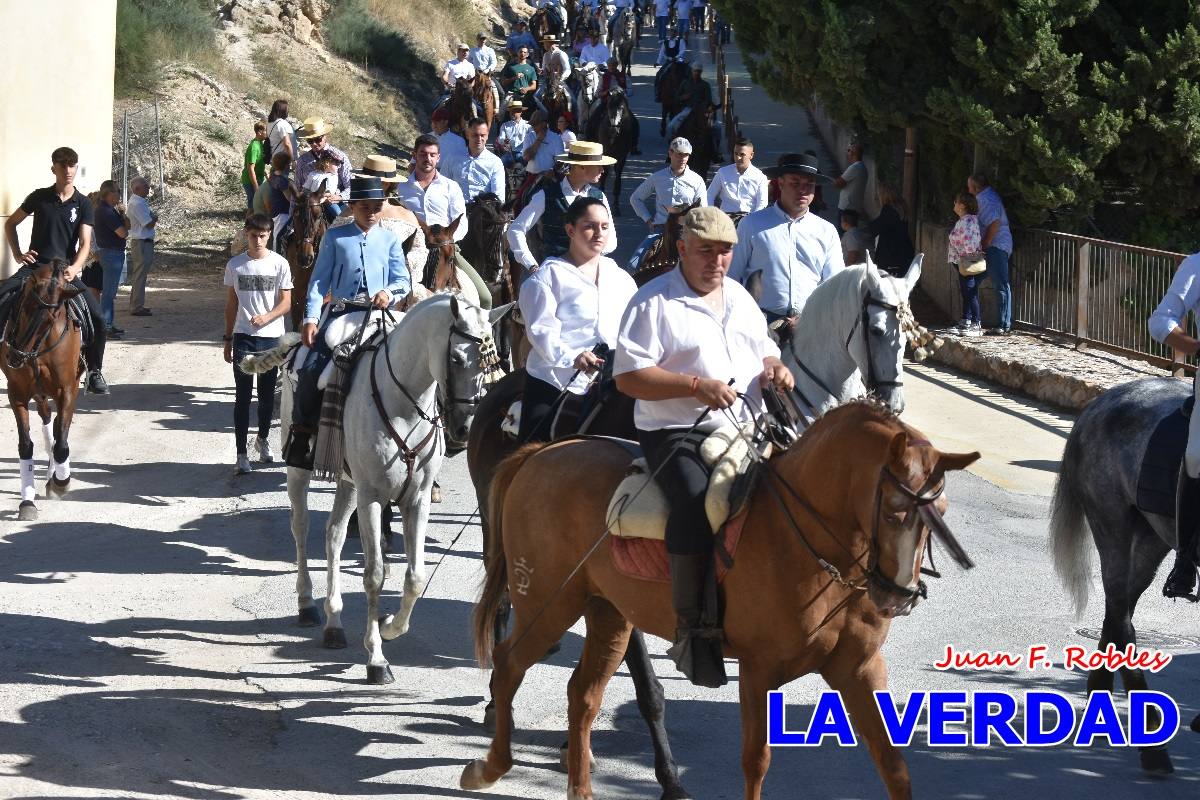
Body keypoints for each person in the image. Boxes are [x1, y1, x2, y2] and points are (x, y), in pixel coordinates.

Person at [614, 206, 793, 687]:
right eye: (706, 250)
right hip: (677, 430)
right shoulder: (652, 302)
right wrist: (694, 386)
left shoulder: (739, 296)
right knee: (695, 505)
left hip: (748, 423)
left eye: (725, 250)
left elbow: (764, 348)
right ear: (682, 249)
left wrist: (774, 366)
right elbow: (629, 377)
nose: (717, 260)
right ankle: (693, 629)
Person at [285, 176, 411, 470]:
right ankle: (302, 435)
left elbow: (402, 280)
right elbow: (317, 283)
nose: (371, 213)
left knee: (411, 359)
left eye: (377, 207)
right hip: (341, 314)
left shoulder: (390, 239)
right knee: (310, 368)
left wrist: (388, 292)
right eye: (365, 207)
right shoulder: (335, 237)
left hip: (377, 315)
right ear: (352, 207)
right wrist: (311, 318)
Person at [518, 196, 637, 441]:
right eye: (589, 226)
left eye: (604, 227)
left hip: (611, 377)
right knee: (531, 452)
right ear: (571, 230)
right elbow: (540, 332)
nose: (598, 233)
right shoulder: (546, 278)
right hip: (556, 378)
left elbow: (637, 327)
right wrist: (572, 357)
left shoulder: (621, 278)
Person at [1, 146, 109, 393]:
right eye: (63, 166)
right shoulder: (39, 197)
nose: (68, 170)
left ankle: (94, 371)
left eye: (72, 165)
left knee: (99, 320)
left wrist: (75, 267)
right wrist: (18, 254)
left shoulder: (83, 204)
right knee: (3, 297)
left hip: (64, 272)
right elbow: (11, 224)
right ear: (54, 169)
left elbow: (85, 244)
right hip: (35, 268)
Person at [728, 153, 844, 327]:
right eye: (795, 183)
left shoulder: (826, 231)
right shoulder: (752, 225)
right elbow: (732, 277)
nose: (803, 190)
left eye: (809, 184)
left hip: (811, 325)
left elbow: (835, 283)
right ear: (780, 183)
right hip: (760, 323)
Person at [223, 213, 293, 474]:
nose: (258, 240)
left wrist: (267, 317)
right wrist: (227, 338)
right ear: (246, 234)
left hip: (271, 337)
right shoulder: (236, 265)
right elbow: (231, 305)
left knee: (265, 397)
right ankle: (241, 454)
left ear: (270, 235)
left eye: (263, 236)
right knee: (242, 396)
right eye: (254, 235)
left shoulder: (280, 264)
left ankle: (262, 439)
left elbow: (286, 303)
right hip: (243, 337)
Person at [1149, 252, 1200, 599]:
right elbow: (1161, 321)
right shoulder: (1197, 264)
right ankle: (1185, 559)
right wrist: (1196, 346)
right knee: (1197, 455)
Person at [395, 134, 491, 305]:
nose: (428, 158)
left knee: (485, 298)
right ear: (414, 154)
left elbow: (461, 221)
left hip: (446, 247)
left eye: (432, 155)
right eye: (423, 154)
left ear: (438, 157)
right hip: (411, 249)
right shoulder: (401, 187)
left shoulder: (451, 186)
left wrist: (448, 240)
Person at [509, 140, 618, 275]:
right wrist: (532, 265)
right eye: (598, 165)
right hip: (554, 275)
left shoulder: (599, 197)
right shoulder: (546, 196)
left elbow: (611, 240)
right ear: (581, 166)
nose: (602, 170)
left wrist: (591, 256)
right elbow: (515, 229)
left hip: (589, 274)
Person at [630, 137, 708, 231]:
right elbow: (635, 198)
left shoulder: (697, 180)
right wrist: (648, 219)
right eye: (679, 154)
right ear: (670, 153)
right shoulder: (657, 177)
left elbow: (702, 208)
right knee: (643, 247)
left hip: (686, 230)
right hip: (661, 228)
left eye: (686, 155)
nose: (683, 158)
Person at [968, 172, 1013, 335]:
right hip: (996, 245)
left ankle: (1003, 324)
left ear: (975, 187)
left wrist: (984, 245)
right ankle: (974, 319)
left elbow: (994, 223)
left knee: (1000, 283)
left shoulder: (985, 199)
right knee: (974, 280)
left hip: (996, 245)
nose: (968, 189)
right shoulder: (988, 196)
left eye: (969, 186)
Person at [92, 180, 128, 337]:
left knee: (110, 292)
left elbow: (129, 225)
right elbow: (123, 233)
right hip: (111, 253)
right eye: (116, 193)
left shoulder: (111, 210)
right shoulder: (105, 211)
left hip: (112, 252)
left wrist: (122, 214)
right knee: (108, 292)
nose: (118, 196)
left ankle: (109, 323)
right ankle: (105, 325)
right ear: (107, 194)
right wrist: (124, 226)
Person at [947, 192, 984, 336]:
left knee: (969, 291)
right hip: (962, 261)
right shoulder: (966, 220)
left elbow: (969, 241)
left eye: (956, 202)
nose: (954, 204)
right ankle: (966, 320)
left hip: (965, 261)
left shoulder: (967, 221)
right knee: (966, 290)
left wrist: (966, 256)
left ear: (962, 205)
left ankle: (976, 323)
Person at [446, 117, 507, 205]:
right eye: (475, 135)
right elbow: (442, 186)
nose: (479, 139)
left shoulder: (495, 162)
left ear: (487, 135)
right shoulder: (452, 158)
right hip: (456, 210)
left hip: (483, 212)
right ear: (467, 135)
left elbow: (498, 196)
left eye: (482, 135)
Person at [666, 61, 720, 153]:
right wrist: (683, 97)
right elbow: (676, 98)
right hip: (687, 110)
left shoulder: (705, 85)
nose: (696, 73)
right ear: (692, 71)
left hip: (701, 111)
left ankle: (716, 151)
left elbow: (708, 100)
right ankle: (671, 149)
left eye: (698, 71)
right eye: (695, 71)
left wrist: (707, 108)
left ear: (701, 72)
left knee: (717, 128)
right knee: (671, 126)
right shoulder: (685, 83)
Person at [294, 118, 351, 203]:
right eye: (310, 141)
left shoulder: (340, 157)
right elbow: (298, 189)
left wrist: (339, 197)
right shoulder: (302, 161)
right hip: (310, 208)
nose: (314, 144)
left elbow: (351, 186)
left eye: (317, 139)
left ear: (325, 137)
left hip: (334, 204)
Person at [706, 137, 768, 213]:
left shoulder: (760, 177)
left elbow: (762, 204)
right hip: (726, 218)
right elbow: (710, 194)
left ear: (751, 155)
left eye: (742, 154)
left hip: (749, 218)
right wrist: (711, 214)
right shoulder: (723, 172)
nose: (738, 158)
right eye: (736, 153)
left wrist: (753, 220)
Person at [866, 181, 914, 277]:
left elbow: (874, 229)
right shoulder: (901, 208)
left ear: (884, 195)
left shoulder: (888, 210)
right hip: (904, 253)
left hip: (891, 257)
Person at [126, 176, 158, 320]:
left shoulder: (138, 202)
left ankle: (137, 304)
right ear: (137, 189)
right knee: (139, 275)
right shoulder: (137, 204)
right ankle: (136, 306)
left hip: (143, 242)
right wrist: (154, 218)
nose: (148, 188)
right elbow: (148, 223)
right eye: (145, 186)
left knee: (140, 275)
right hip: (141, 242)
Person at [264, 151, 298, 250]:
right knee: (279, 237)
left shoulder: (273, 176)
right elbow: (289, 198)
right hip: (283, 213)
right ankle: (277, 256)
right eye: (289, 164)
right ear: (285, 165)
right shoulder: (282, 181)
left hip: (275, 211)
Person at [301, 150, 346, 223]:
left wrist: (323, 198)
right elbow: (306, 188)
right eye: (336, 163)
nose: (339, 166)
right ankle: (289, 228)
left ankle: (340, 225)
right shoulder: (313, 174)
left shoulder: (333, 177)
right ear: (327, 163)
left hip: (327, 202)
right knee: (297, 213)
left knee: (338, 214)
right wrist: (304, 195)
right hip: (311, 201)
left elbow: (330, 192)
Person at [521, 110, 567, 179]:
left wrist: (552, 170)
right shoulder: (529, 137)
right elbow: (526, 157)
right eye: (532, 124)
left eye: (535, 124)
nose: (533, 127)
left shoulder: (556, 138)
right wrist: (538, 140)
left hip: (549, 178)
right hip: (531, 177)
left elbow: (560, 160)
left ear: (544, 124)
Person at [831, 142, 867, 225]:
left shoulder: (854, 167)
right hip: (854, 207)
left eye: (848, 150)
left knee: (843, 234)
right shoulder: (862, 167)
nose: (847, 153)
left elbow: (838, 183)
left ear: (853, 153)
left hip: (847, 207)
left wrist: (836, 181)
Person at [429, 108, 470, 175]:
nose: (434, 124)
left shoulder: (459, 141)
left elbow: (462, 164)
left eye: (437, 121)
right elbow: (414, 163)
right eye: (433, 121)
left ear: (446, 122)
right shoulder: (426, 138)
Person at [241, 121, 269, 211]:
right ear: (259, 132)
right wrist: (256, 187)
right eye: (266, 130)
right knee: (253, 207)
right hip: (250, 181)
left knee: (259, 205)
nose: (268, 133)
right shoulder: (254, 147)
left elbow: (259, 163)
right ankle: (248, 223)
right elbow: (250, 169)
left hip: (259, 178)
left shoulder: (260, 144)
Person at [497, 99, 532, 168]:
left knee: (531, 163)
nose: (512, 113)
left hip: (523, 153)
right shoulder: (505, 125)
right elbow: (500, 139)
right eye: (511, 111)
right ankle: (504, 178)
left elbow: (532, 140)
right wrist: (504, 141)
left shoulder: (528, 125)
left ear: (520, 112)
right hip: (509, 153)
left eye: (515, 111)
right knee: (499, 164)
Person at [653, 30, 687, 102]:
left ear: (676, 33)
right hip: (669, 61)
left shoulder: (680, 41)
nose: (672, 33)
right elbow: (661, 52)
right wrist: (657, 62)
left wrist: (677, 57)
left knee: (687, 73)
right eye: (671, 32)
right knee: (659, 74)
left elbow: (683, 50)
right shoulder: (665, 42)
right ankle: (658, 93)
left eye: (674, 32)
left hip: (678, 61)